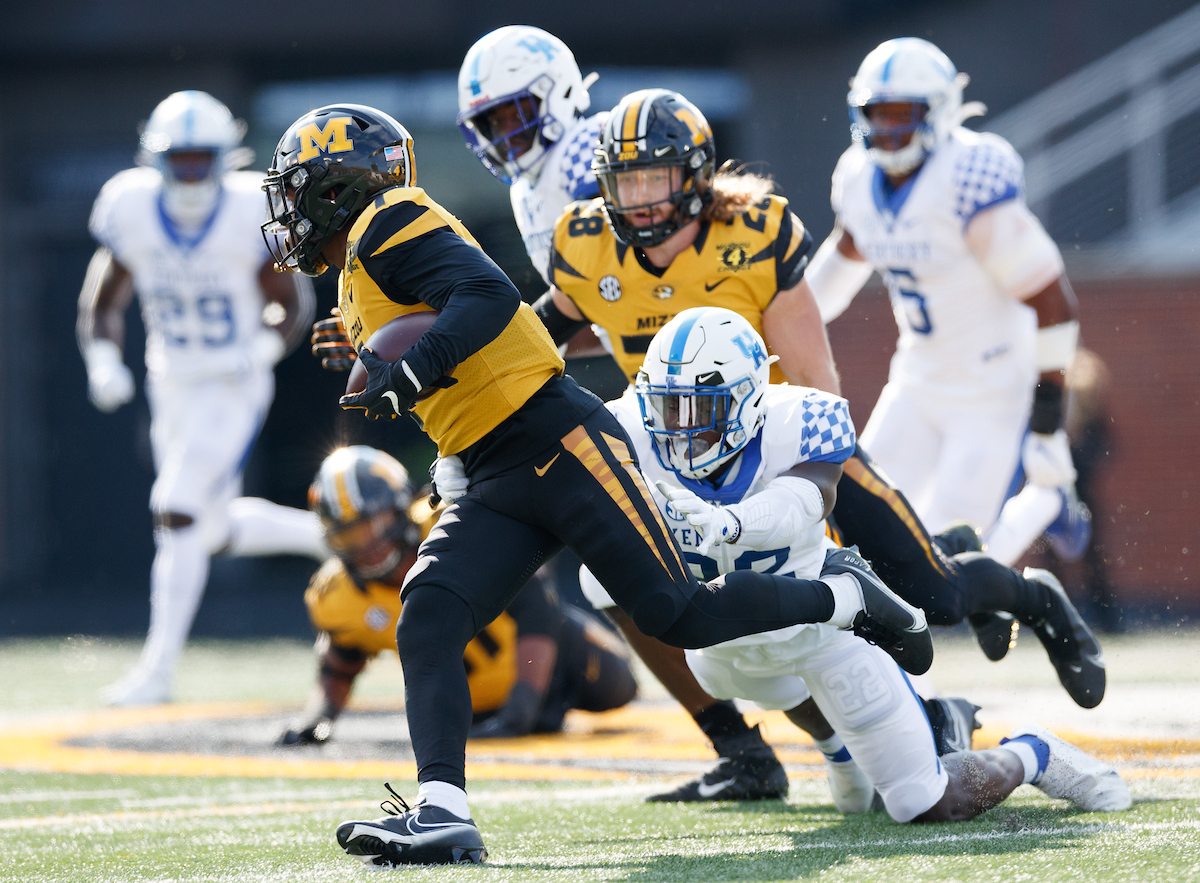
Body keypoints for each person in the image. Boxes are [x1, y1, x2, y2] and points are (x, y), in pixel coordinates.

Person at [261, 102, 930, 866]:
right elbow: (454, 374)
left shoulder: (389, 216)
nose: (290, 210)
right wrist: (439, 443)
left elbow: (487, 297)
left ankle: (847, 594)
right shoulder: (358, 271)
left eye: (299, 188)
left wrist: (409, 367)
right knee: (431, 612)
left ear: (339, 186)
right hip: (489, 464)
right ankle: (442, 808)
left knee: (679, 613)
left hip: (558, 436)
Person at [534, 87, 1105, 710]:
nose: (640, 202)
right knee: (639, 591)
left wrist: (813, 498)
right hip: (682, 466)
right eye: (626, 183)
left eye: (655, 180)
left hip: (783, 448)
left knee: (932, 594)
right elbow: (540, 340)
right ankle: (755, 749)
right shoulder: (587, 250)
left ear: (695, 176)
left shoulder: (755, 239)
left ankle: (1033, 598)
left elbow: (817, 394)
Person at [581, 308, 1130, 822]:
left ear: (749, 400)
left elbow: (806, 501)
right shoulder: (620, 428)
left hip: (828, 624)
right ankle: (841, 748)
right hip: (721, 650)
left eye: (699, 410)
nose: (679, 427)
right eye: (666, 405)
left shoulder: (800, 417)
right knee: (606, 585)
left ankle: (1035, 753)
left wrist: (730, 523)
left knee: (919, 800)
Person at [445, 24, 795, 803]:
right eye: (489, 124)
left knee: (787, 565)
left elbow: (657, 291)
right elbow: (594, 315)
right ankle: (746, 745)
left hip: (719, 397)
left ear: (559, 96)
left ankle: (890, 704)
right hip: (656, 398)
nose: (505, 138)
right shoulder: (535, 183)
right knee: (620, 575)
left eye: (514, 115)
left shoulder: (588, 159)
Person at [804, 37, 1090, 578]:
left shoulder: (966, 177)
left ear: (937, 114)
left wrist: (1047, 420)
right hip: (916, 379)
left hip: (989, 389)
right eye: (875, 114)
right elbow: (831, 282)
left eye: (900, 115)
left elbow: (1054, 303)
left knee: (951, 558)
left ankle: (1046, 501)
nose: (885, 130)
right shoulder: (860, 180)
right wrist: (769, 321)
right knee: (857, 522)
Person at [77, 90, 325, 707]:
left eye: (200, 159)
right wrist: (103, 358)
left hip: (231, 383)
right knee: (205, 529)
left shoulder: (247, 211)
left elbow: (292, 305)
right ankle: (329, 535)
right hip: (173, 383)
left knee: (177, 505)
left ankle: (158, 672)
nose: (190, 172)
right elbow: (103, 301)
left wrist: (261, 350)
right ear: (155, 159)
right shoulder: (129, 206)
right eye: (178, 159)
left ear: (224, 158)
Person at [278, 445, 638, 747]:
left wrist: (522, 707)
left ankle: (539, 700)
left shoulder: (447, 521)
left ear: (401, 506)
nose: (367, 545)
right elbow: (341, 660)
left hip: (547, 657)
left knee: (619, 687)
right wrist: (319, 716)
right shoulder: (337, 594)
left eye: (374, 524)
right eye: (349, 536)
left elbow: (536, 601)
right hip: (469, 704)